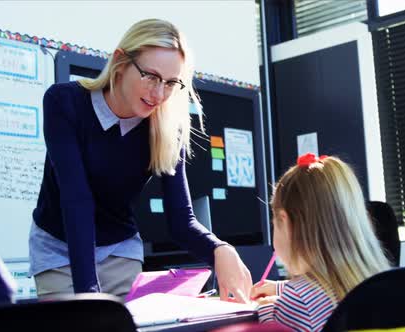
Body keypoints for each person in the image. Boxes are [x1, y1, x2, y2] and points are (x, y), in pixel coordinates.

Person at [28, 19, 251, 302]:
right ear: (120, 61)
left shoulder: (168, 128)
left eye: (171, 83)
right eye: (151, 76)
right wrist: (89, 297)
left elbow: (181, 220)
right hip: (58, 248)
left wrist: (220, 250)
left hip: (120, 250)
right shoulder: (65, 102)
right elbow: (76, 200)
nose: (159, 95)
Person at [250, 153, 390, 331]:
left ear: (284, 221)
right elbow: (328, 288)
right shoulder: (377, 281)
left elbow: (304, 303)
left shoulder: (298, 302)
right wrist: (280, 288)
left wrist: (267, 310)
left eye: (274, 224)